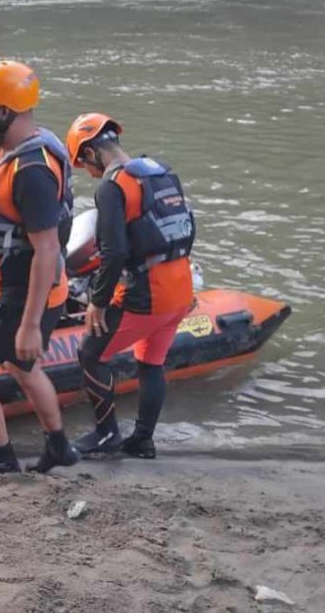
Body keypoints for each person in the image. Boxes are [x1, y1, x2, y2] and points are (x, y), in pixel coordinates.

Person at [0, 60, 80, 479]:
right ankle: (59, 446)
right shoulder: (14, 152)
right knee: (22, 367)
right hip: (22, 288)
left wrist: (28, 325)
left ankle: (3, 458)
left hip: (21, 294)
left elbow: (45, 250)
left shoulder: (32, 172)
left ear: (4, 112)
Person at [64, 113, 196, 459]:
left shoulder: (112, 186)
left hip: (148, 294)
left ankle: (107, 434)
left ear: (92, 152)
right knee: (151, 363)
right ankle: (142, 440)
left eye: (84, 163)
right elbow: (185, 227)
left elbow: (114, 252)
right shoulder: (162, 171)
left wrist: (98, 301)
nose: (88, 171)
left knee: (90, 354)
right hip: (181, 286)